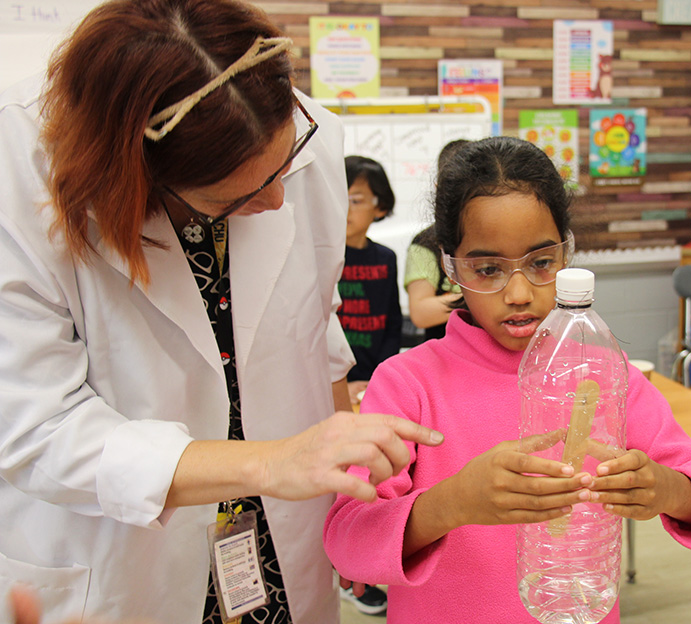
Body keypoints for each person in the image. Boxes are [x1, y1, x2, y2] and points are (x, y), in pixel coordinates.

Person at [0, 2, 443, 623]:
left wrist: (355, 502)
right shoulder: (17, 174)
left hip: (278, 535)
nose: (277, 198)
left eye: (286, 164)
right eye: (233, 195)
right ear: (138, 178)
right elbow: (37, 428)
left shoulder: (295, 124)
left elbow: (315, 328)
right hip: (125, 548)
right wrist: (269, 461)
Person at [323, 137, 691, 623]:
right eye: (488, 269)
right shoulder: (409, 383)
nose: (518, 293)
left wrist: (667, 489)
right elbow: (347, 540)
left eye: (541, 263)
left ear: (567, 253)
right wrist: (451, 504)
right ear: (449, 266)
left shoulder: (599, 372)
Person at [338, 156, 403, 408]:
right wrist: (339, 382)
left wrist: (380, 378)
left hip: (373, 383)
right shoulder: (320, 257)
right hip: (330, 382)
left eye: (355, 200)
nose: (345, 209)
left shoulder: (385, 258)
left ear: (380, 207)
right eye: (338, 198)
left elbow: (392, 323)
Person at [403, 139, 469, 340]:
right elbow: (421, 313)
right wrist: (480, 294)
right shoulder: (425, 243)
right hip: (444, 354)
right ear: (439, 188)